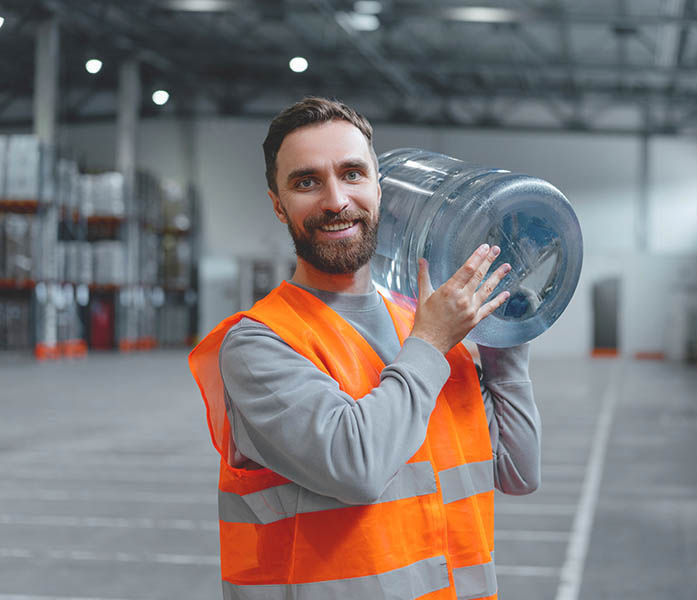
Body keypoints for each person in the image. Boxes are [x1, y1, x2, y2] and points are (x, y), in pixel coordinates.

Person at [189, 96, 541, 600]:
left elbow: (517, 471)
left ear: (379, 186)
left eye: (352, 174)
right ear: (277, 204)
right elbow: (356, 467)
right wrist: (431, 341)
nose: (336, 200)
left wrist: (506, 346)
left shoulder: (423, 322)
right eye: (306, 181)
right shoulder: (260, 344)